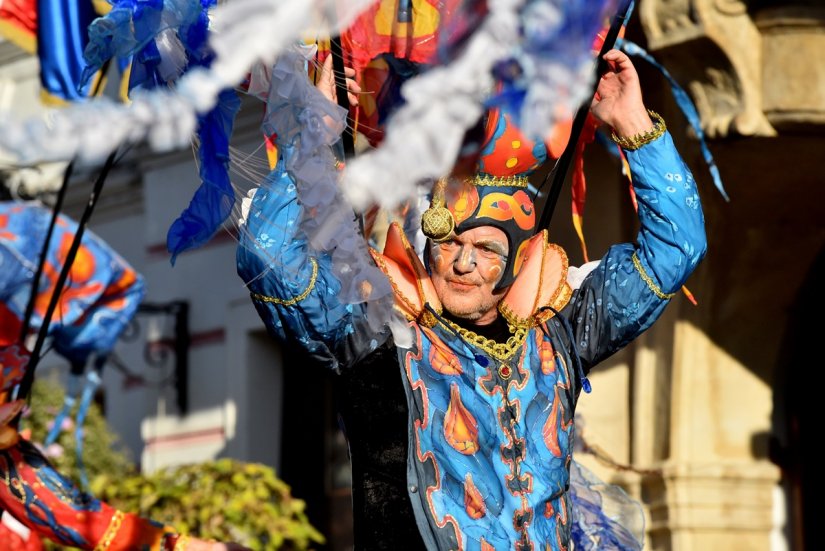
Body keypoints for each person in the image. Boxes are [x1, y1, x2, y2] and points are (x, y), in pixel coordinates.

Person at [236, 48, 706, 549]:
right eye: (449, 242)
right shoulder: (375, 330)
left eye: (485, 249)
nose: (462, 264)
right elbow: (268, 255)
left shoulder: (560, 331)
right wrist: (315, 131)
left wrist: (632, 122)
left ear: (520, 258)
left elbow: (677, 247)